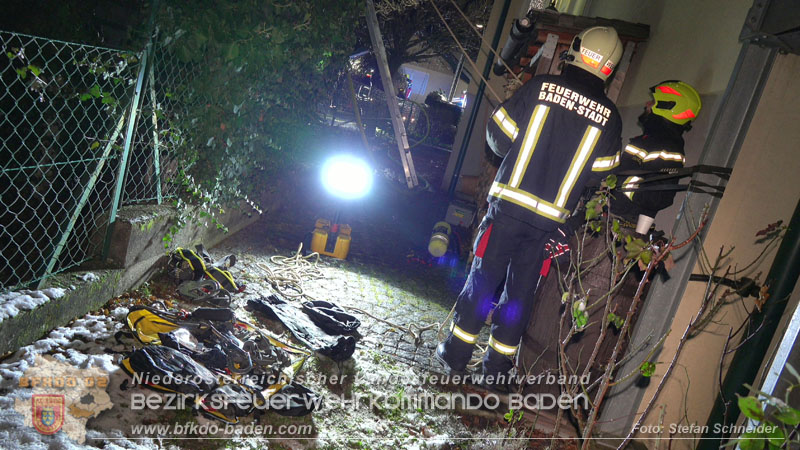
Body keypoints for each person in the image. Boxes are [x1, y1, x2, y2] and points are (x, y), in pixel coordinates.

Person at [436, 26, 625, 390]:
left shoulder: (541, 88)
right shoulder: (610, 117)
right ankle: (495, 371)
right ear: (609, 67)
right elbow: (602, 173)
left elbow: (497, 136)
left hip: (507, 211)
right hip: (547, 226)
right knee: (520, 295)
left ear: (576, 50)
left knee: (483, 280)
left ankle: (456, 354)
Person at [613, 80, 702, 228]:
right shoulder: (653, 141)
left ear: (666, 106)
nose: (647, 104)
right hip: (615, 219)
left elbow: (658, 197)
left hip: (623, 224)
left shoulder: (667, 147)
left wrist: (618, 178)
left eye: (654, 101)